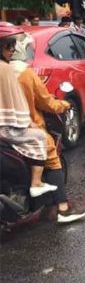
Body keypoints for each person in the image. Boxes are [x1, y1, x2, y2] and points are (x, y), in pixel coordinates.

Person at [10, 34, 85, 223]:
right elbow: (46, 102)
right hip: (23, 127)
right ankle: (63, 209)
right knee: (52, 158)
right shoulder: (25, 74)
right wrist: (63, 105)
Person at [0, 26, 55, 198]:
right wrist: (28, 122)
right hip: (6, 128)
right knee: (40, 137)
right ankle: (36, 182)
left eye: (13, 45)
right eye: (9, 45)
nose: (13, 50)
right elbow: (16, 103)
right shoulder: (7, 69)